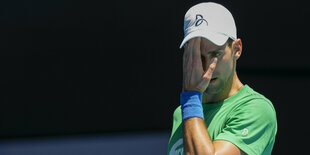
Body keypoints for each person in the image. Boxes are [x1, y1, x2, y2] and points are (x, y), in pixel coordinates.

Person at [168, 2, 277, 155]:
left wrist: (191, 97)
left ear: (236, 49)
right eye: (199, 56)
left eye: (215, 54)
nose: (207, 67)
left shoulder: (257, 109)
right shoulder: (182, 112)